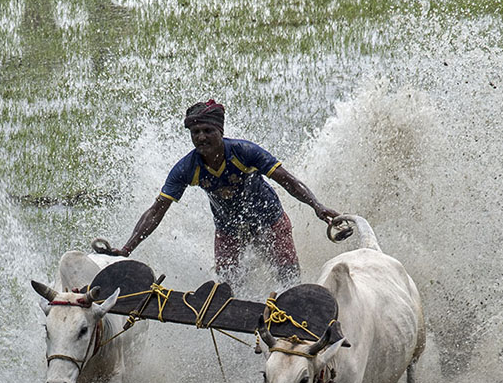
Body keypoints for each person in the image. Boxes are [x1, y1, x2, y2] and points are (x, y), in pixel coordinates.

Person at [102, 100, 339, 285]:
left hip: (270, 220)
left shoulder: (244, 152)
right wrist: (127, 249)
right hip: (228, 229)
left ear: (220, 131)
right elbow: (156, 212)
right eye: (195, 133)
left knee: (288, 275)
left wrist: (317, 207)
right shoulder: (187, 168)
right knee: (228, 285)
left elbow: (289, 181)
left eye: (207, 130)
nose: (201, 137)